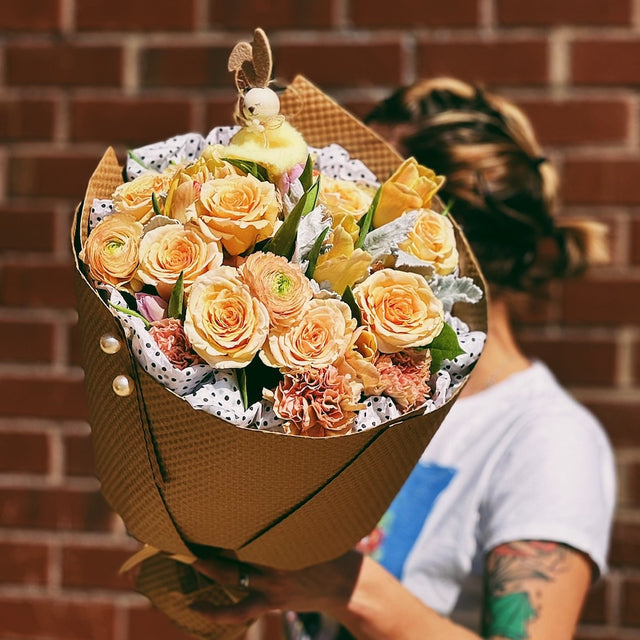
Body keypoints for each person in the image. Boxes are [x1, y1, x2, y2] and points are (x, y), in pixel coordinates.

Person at [188, 78, 616, 640]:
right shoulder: (360, 394)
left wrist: (345, 590)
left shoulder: (546, 438)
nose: (341, 225)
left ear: (440, 237)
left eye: (368, 206)